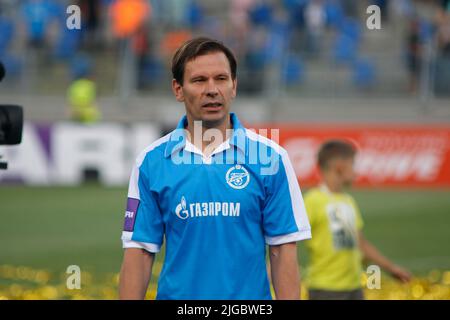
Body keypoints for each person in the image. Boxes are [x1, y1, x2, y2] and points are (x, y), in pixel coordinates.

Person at [119, 37, 311, 300]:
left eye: (221, 79)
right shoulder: (151, 162)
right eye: (199, 80)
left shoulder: (271, 158)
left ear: (234, 86)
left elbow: (282, 251)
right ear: (178, 89)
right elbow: (140, 252)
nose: (212, 89)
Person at [303, 140, 412, 300]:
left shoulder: (348, 201)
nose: (356, 172)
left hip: (354, 288)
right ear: (339, 167)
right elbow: (288, 240)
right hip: (325, 289)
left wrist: (391, 268)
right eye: (353, 165)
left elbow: (361, 244)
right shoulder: (312, 200)